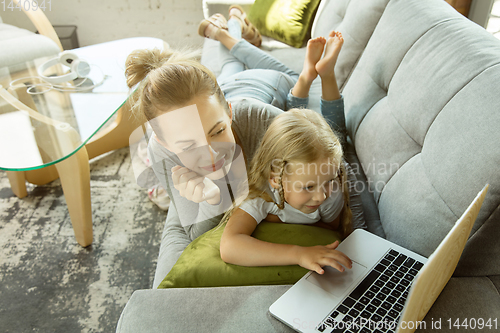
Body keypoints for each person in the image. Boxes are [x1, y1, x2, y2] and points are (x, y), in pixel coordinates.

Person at [124, 6, 364, 243]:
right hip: (225, 88)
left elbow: (338, 165)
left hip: (266, 86)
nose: (211, 155)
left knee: (299, 85)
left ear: (229, 114)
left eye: (217, 131)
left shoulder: (260, 120)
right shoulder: (161, 149)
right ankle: (233, 24)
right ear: (163, 142)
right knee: (230, 67)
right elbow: (194, 236)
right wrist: (212, 199)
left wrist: (360, 240)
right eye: (188, 145)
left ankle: (227, 35)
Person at [219, 34, 354, 275]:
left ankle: (318, 74)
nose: (321, 196)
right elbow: (229, 246)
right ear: (275, 179)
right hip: (247, 87)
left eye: (328, 182)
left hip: (301, 129)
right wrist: (298, 253)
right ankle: (312, 75)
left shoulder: (330, 195)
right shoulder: (263, 195)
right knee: (311, 128)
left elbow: (332, 229)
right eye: (308, 187)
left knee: (334, 135)